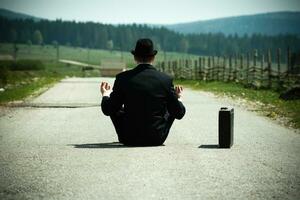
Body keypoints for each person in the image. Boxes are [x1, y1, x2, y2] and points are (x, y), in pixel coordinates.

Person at [100, 38, 185, 146]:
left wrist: (105, 95)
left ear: (135, 57)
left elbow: (108, 109)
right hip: (156, 138)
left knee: (116, 107)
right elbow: (179, 113)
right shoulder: (165, 80)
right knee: (171, 106)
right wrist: (178, 98)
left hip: (129, 138)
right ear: (153, 57)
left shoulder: (123, 78)